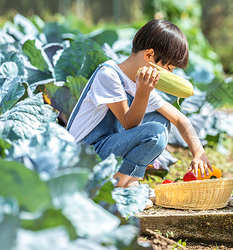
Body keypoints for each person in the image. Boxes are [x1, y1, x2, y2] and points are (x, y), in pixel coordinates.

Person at [67, 19, 211, 188]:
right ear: (149, 56)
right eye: (169, 69)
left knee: (162, 120)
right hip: (83, 156)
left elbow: (179, 119)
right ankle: (115, 186)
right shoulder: (109, 75)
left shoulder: (137, 82)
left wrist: (198, 152)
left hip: (106, 149)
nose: (170, 75)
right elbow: (129, 123)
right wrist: (143, 92)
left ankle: (128, 182)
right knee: (156, 133)